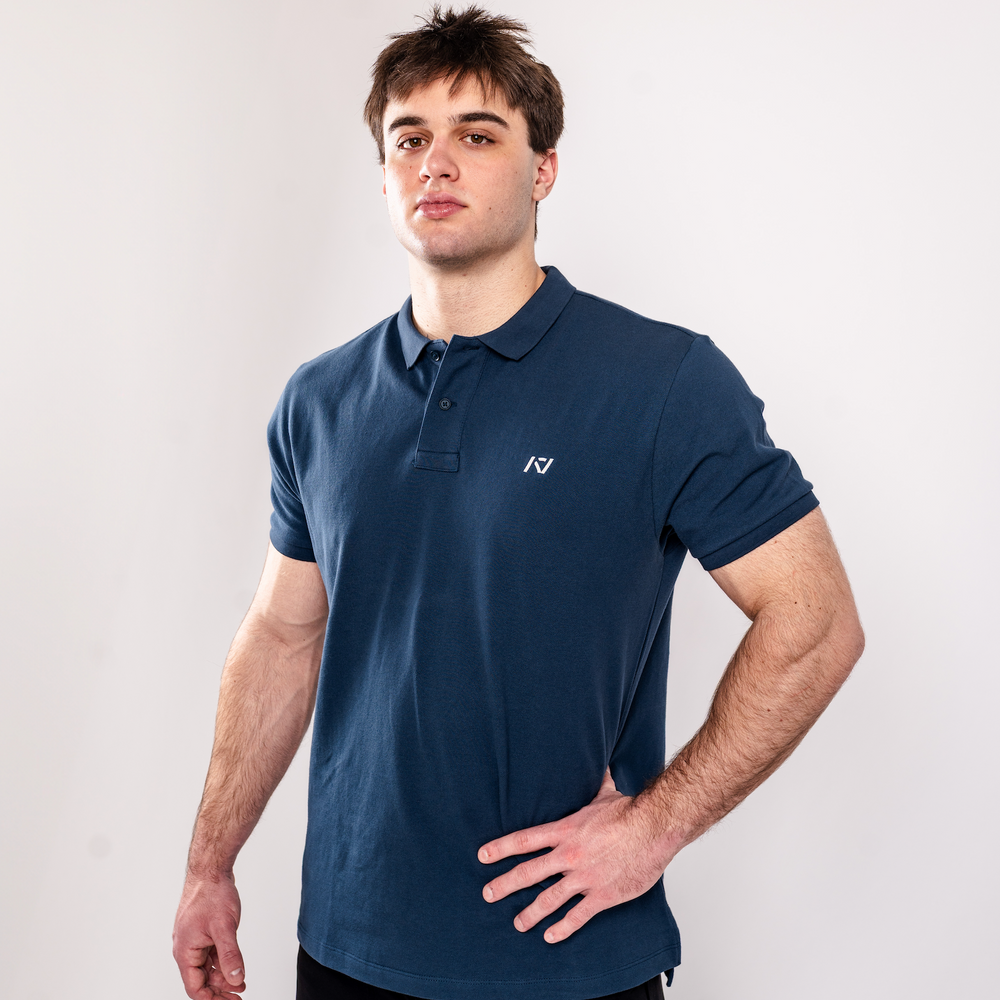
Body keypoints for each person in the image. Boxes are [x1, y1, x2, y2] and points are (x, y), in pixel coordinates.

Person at [171, 6, 865, 1000]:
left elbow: (816, 620)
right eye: (409, 137)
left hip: (565, 957)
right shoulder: (319, 400)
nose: (436, 162)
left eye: (478, 134)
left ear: (544, 170)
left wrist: (654, 829)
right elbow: (284, 636)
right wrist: (209, 865)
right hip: (345, 948)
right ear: (382, 173)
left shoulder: (663, 382)